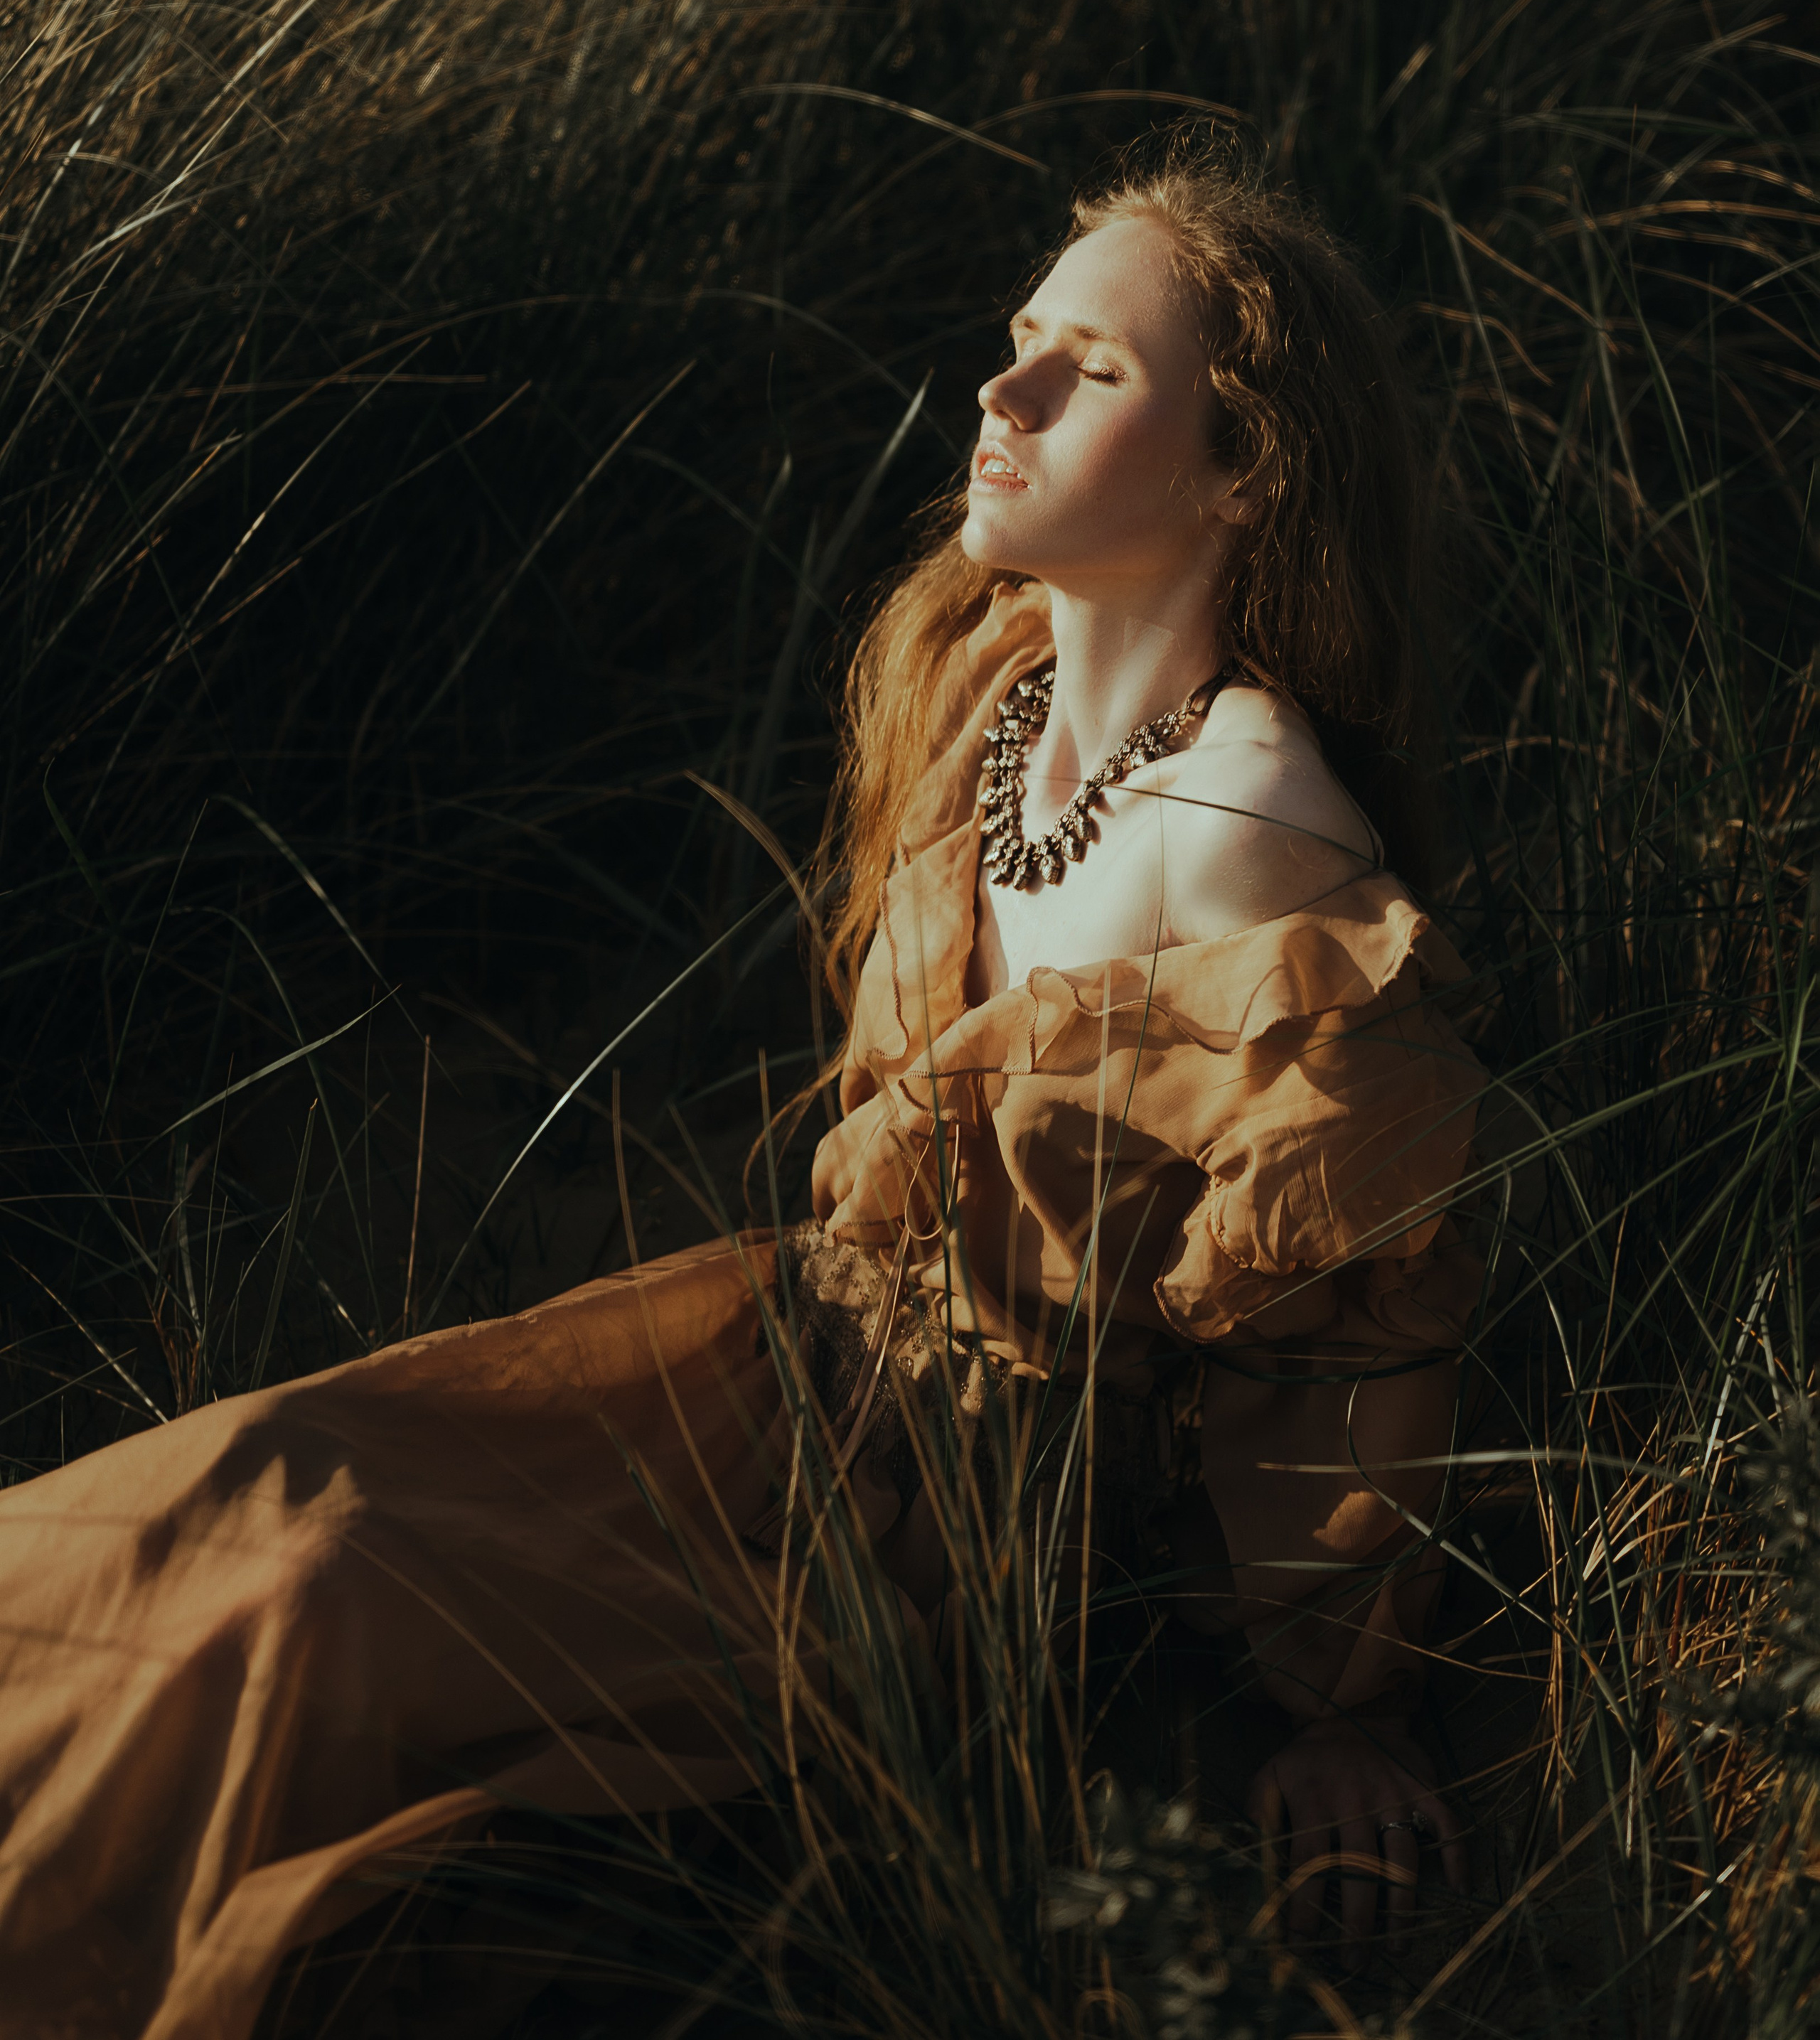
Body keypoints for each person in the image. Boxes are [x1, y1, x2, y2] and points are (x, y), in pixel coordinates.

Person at [0, 144, 1487, 2039]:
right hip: (773, 1343)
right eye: (1021, 339)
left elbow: (1347, 1290)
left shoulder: (1257, 823)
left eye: (1092, 370)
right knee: (254, 1477)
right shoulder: (984, 686)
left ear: (1247, 468)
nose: (1002, 389)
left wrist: (1344, 1700)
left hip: (931, 1515)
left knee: (321, 1603)